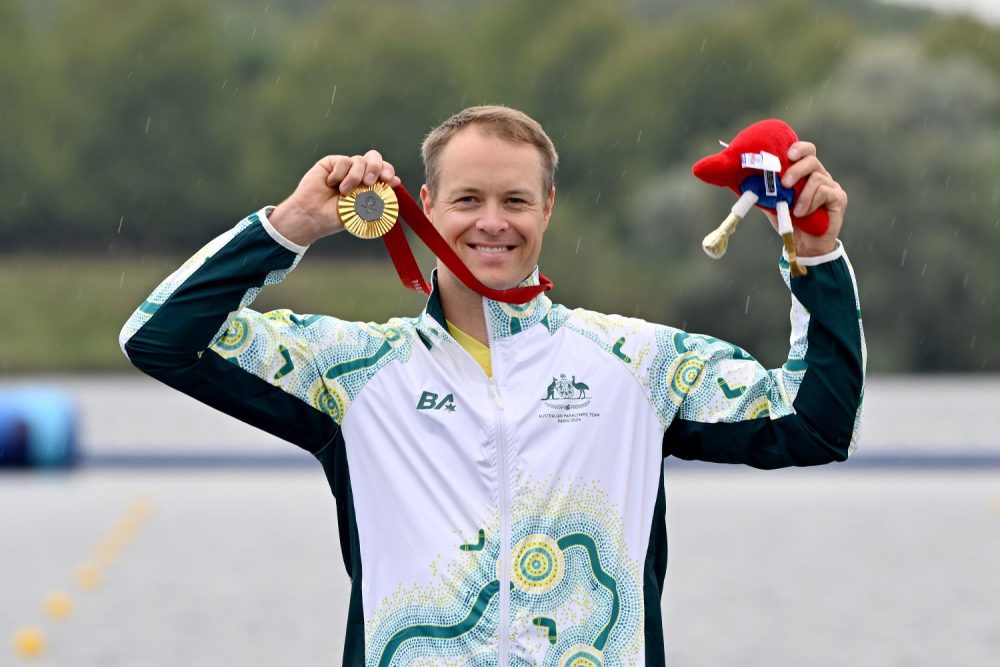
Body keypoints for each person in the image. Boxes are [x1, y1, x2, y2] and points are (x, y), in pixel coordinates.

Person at [120, 105, 865, 666]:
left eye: (514, 201)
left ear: (547, 209)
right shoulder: (350, 373)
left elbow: (815, 422)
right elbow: (159, 337)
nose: (491, 223)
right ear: (425, 204)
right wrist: (288, 227)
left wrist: (818, 257)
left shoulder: (637, 362)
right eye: (467, 199)